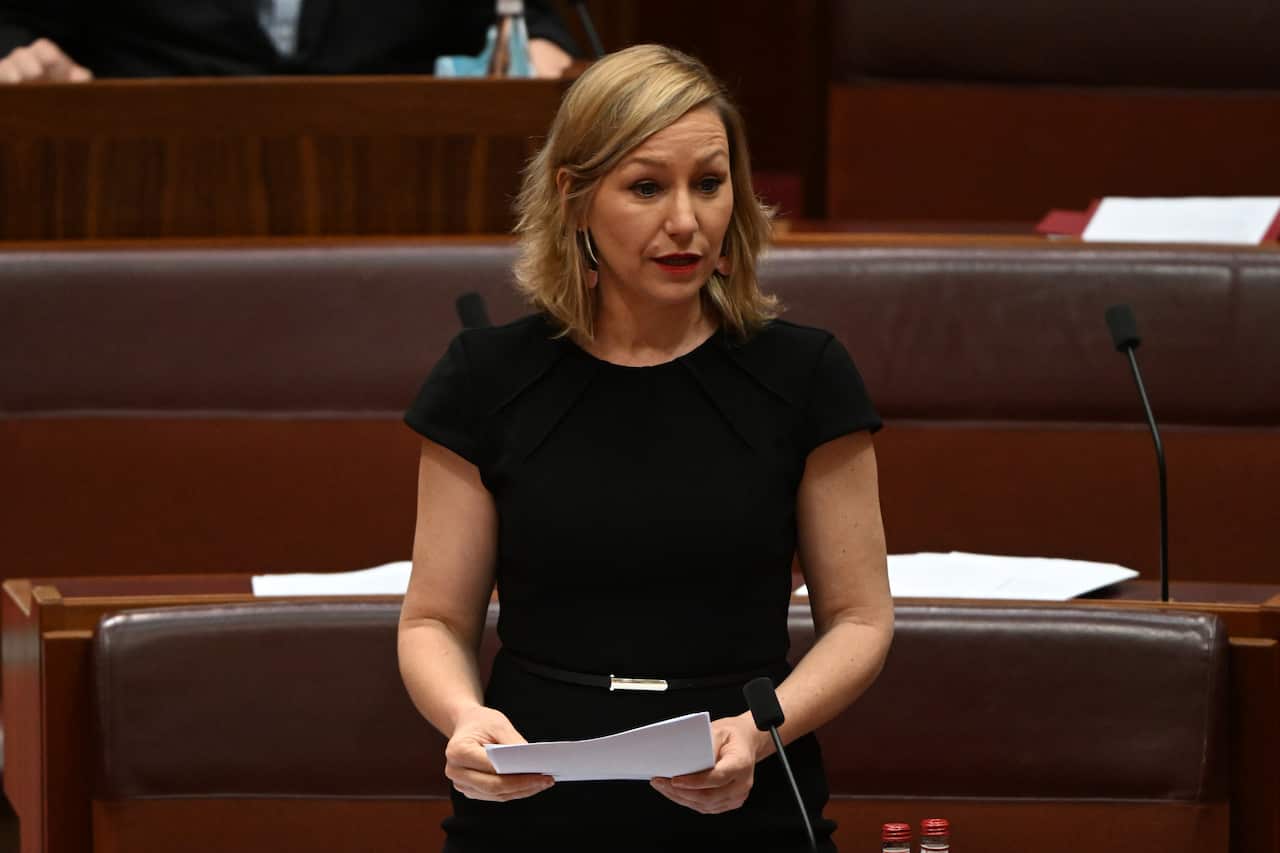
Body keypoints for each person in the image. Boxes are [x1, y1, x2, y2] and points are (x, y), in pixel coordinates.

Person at [397, 43, 894, 852]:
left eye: (709, 182)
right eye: (646, 188)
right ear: (575, 195)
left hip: (743, 792)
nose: (685, 221)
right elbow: (432, 620)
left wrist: (762, 733)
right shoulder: (485, 377)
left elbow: (861, 618)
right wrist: (463, 719)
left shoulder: (804, 374)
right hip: (530, 795)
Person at [0, 0, 574, 82]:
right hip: (145, 192)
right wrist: (22, 60)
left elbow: (528, 23)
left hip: (392, 191)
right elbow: (16, 24)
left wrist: (539, 57)